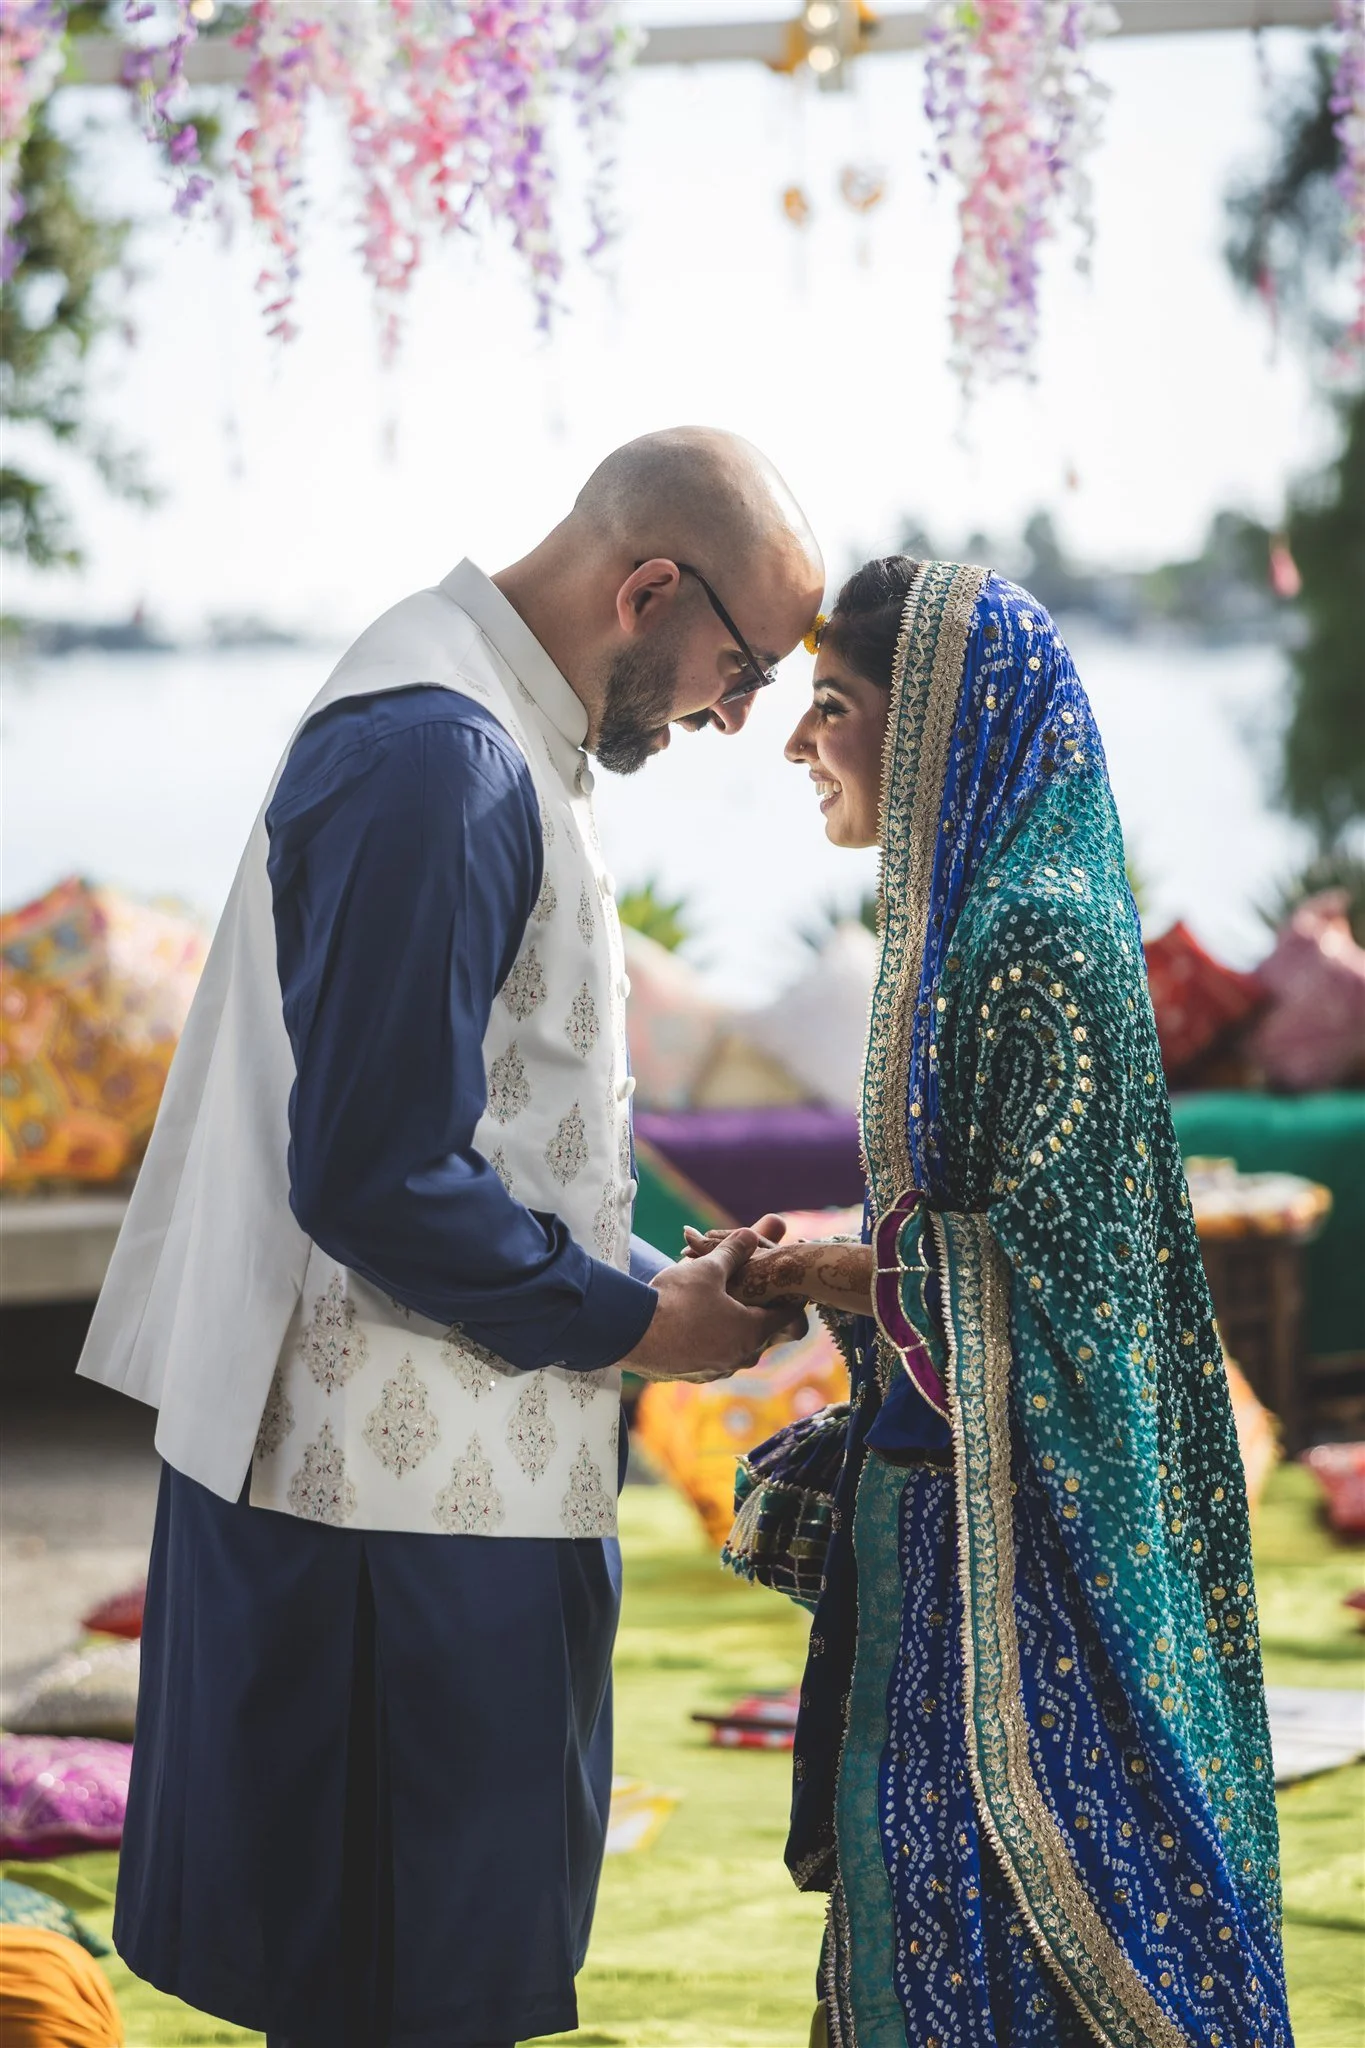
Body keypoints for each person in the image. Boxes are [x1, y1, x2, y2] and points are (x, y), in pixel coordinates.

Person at [77, 428, 823, 2048]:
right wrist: (642, 1331)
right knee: (391, 1999)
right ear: (646, 589)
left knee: (430, 1990)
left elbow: (486, 1140)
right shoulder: (439, 757)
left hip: (443, 1492)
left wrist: (651, 1280)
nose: (737, 715)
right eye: (739, 667)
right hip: (374, 1518)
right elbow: (371, 1178)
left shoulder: (494, 733)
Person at [692, 557, 1292, 2047]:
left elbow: (1063, 1282)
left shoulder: (1030, 939)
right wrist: (841, 1248)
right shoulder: (972, 927)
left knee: (1038, 1906)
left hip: (1020, 1557)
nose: (793, 741)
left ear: (938, 731)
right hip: (951, 1521)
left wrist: (829, 1268)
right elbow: (983, 1224)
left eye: (829, 705)